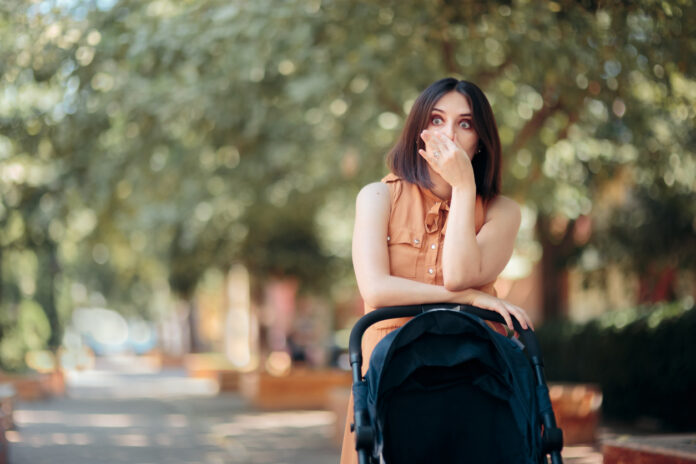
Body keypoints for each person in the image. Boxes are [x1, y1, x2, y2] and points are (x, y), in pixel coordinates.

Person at [339, 77, 534, 463]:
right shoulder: (378, 197)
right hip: (388, 383)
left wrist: (463, 188)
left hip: (474, 384)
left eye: (465, 124)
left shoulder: (502, 212)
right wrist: (464, 298)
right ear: (420, 131)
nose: (450, 133)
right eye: (438, 119)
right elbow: (376, 291)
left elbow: (460, 274)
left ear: (480, 140)